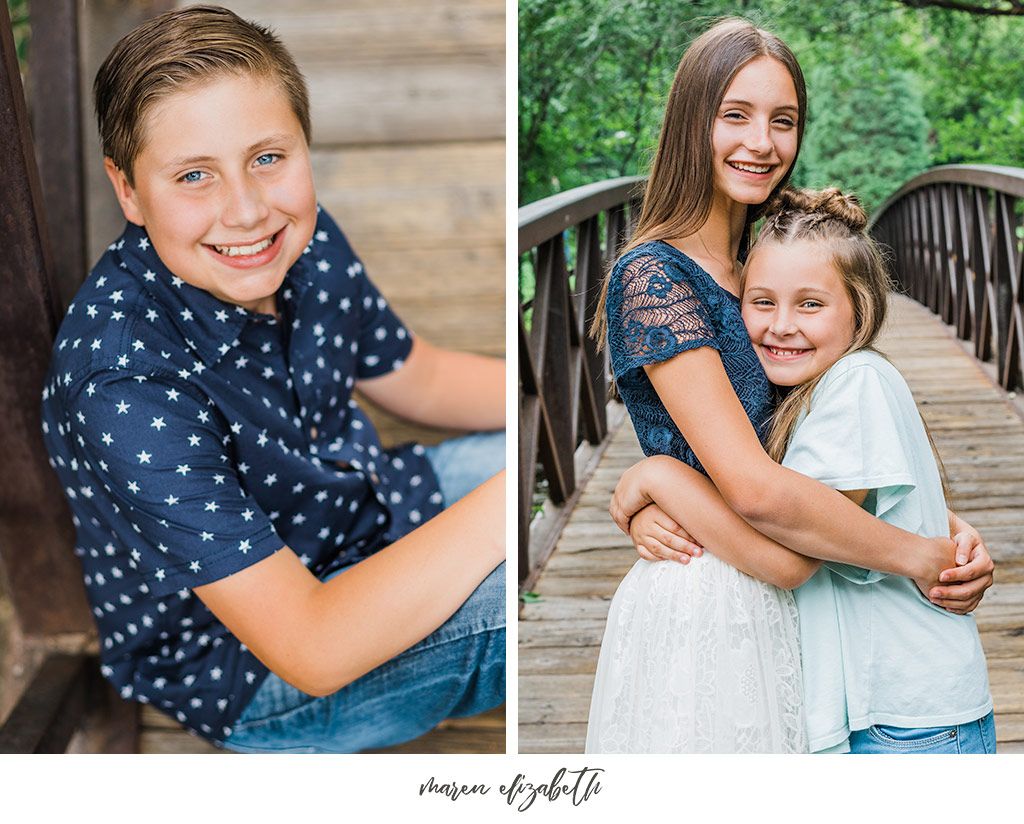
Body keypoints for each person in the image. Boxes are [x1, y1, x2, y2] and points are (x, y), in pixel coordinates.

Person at [39, 5, 505, 753]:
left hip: (365, 508)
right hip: (259, 666)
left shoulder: (297, 238)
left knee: (568, 468)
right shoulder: (121, 383)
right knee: (524, 563)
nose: (248, 209)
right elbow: (314, 648)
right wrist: (504, 509)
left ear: (303, 145)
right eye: (194, 175)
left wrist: (549, 409)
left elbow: (415, 375)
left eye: (268, 157)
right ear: (128, 192)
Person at [584, 17, 992, 754]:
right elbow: (755, 488)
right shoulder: (654, 277)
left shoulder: (767, 255)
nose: (761, 143)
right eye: (734, 115)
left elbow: (836, 418)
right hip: (712, 600)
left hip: (802, 620)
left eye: (784, 121)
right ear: (690, 122)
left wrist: (943, 525)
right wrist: (656, 475)